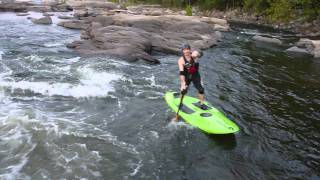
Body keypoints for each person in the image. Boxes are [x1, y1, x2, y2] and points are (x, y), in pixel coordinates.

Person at [175, 43, 206, 121]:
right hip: (186, 76)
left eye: (187, 50)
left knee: (201, 89)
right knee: (184, 91)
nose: (186, 52)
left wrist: (198, 53)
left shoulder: (193, 55)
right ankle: (180, 102)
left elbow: (201, 54)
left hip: (195, 74)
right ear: (182, 51)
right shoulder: (181, 60)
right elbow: (181, 72)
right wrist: (183, 83)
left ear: (190, 50)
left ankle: (202, 104)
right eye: (184, 50)